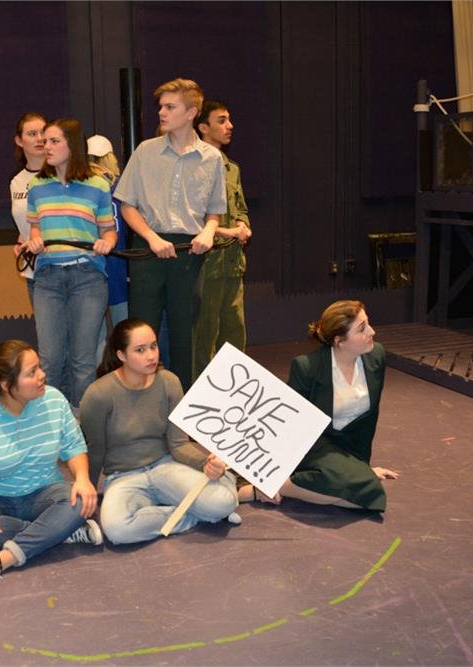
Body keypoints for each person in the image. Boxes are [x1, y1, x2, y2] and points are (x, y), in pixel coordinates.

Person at [0, 340, 102, 589]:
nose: (42, 375)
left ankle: (2, 560)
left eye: (39, 367)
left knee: (81, 500)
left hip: (44, 492)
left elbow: (74, 447)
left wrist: (82, 478)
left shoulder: (54, 400)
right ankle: (59, 531)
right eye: (32, 372)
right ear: (6, 385)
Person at [79, 318, 240, 545]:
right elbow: (95, 451)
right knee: (117, 530)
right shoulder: (98, 394)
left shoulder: (169, 382)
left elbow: (179, 444)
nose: (151, 356)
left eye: (153, 346)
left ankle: (204, 508)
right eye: (140, 350)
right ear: (121, 355)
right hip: (122, 477)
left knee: (223, 502)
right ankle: (195, 514)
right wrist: (88, 492)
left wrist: (205, 463)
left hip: (166, 466)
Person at [114, 78, 227, 391]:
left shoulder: (212, 158)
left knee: (185, 335)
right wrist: (151, 237)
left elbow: (214, 211)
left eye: (169, 106)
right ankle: (139, 402)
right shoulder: (145, 151)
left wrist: (208, 231)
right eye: (161, 106)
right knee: (140, 333)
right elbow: (127, 205)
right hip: (147, 248)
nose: (161, 112)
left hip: (190, 252)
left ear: (191, 113)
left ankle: (183, 405)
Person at [238, 300, 398, 511]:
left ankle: (284, 487)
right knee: (367, 492)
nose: (372, 331)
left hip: (348, 450)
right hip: (314, 445)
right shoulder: (307, 367)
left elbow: (369, 419)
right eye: (362, 328)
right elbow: (288, 423)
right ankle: (276, 484)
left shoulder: (376, 356)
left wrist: (362, 467)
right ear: (339, 341)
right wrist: (272, 470)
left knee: (365, 497)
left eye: (368, 323)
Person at [26, 118, 116, 408]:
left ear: (73, 145)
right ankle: (49, 420)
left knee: (83, 360)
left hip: (88, 277)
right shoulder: (36, 185)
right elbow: (35, 228)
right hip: (48, 278)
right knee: (50, 359)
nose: (47, 147)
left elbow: (109, 231)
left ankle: (81, 422)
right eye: (45, 142)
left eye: (54, 141)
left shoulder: (98, 185)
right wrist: (35, 240)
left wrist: (106, 243)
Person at [193, 99, 252, 376]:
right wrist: (224, 231)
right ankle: (201, 393)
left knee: (235, 332)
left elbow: (241, 208)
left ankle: (235, 387)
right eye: (221, 120)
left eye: (229, 119)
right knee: (204, 335)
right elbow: (189, 220)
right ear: (203, 127)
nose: (230, 126)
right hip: (207, 264)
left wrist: (243, 225)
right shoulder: (193, 167)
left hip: (233, 263)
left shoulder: (232, 168)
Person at [85, 134, 129, 363]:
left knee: (96, 337)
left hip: (93, 267)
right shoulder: (122, 187)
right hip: (120, 266)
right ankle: (129, 375)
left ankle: (99, 379)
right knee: (126, 334)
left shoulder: (83, 188)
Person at [9, 112, 47, 301]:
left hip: (60, 264)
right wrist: (21, 240)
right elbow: (26, 219)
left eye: (43, 132)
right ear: (19, 141)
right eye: (32, 134)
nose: (39, 138)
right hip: (34, 269)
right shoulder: (16, 181)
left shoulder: (61, 174)